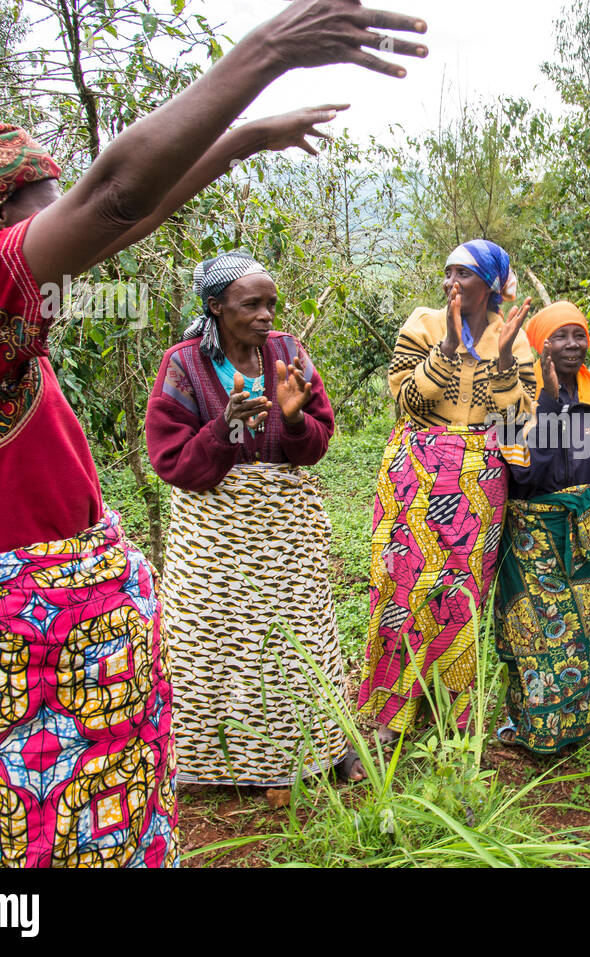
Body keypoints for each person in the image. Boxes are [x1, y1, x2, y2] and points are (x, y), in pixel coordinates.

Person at [0, 0, 428, 867]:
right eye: (39, 213)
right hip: (27, 652)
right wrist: (269, 50)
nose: (63, 233)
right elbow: (113, 198)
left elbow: (116, 218)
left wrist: (242, 143)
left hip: (7, 652)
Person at [146, 252, 365, 786]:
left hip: (285, 531)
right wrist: (222, 429)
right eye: (251, 304)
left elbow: (317, 440)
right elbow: (169, 459)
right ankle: (210, 759)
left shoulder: (289, 353)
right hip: (216, 535)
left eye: (271, 303)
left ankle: (315, 749)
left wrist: (292, 421)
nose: (266, 315)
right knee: (216, 642)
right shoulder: (185, 364)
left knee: (297, 638)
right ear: (216, 306)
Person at [359, 240, 536, 742]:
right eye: (447, 272)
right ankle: (390, 716)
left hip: (478, 478)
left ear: (491, 285)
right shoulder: (423, 324)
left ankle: (450, 718)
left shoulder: (513, 338)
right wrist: (449, 350)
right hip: (413, 470)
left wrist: (501, 363)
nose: (450, 282)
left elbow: (519, 419)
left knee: (459, 594)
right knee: (401, 585)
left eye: (464, 273)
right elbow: (408, 400)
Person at [492, 301, 590, 753]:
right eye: (560, 336)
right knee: (537, 633)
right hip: (533, 533)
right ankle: (536, 728)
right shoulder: (514, 394)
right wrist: (550, 403)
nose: (572, 345)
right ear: (540, 343)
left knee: (589, 626)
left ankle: (579, 724)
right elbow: (526, 475)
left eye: (578, 335)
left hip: (587, 528)